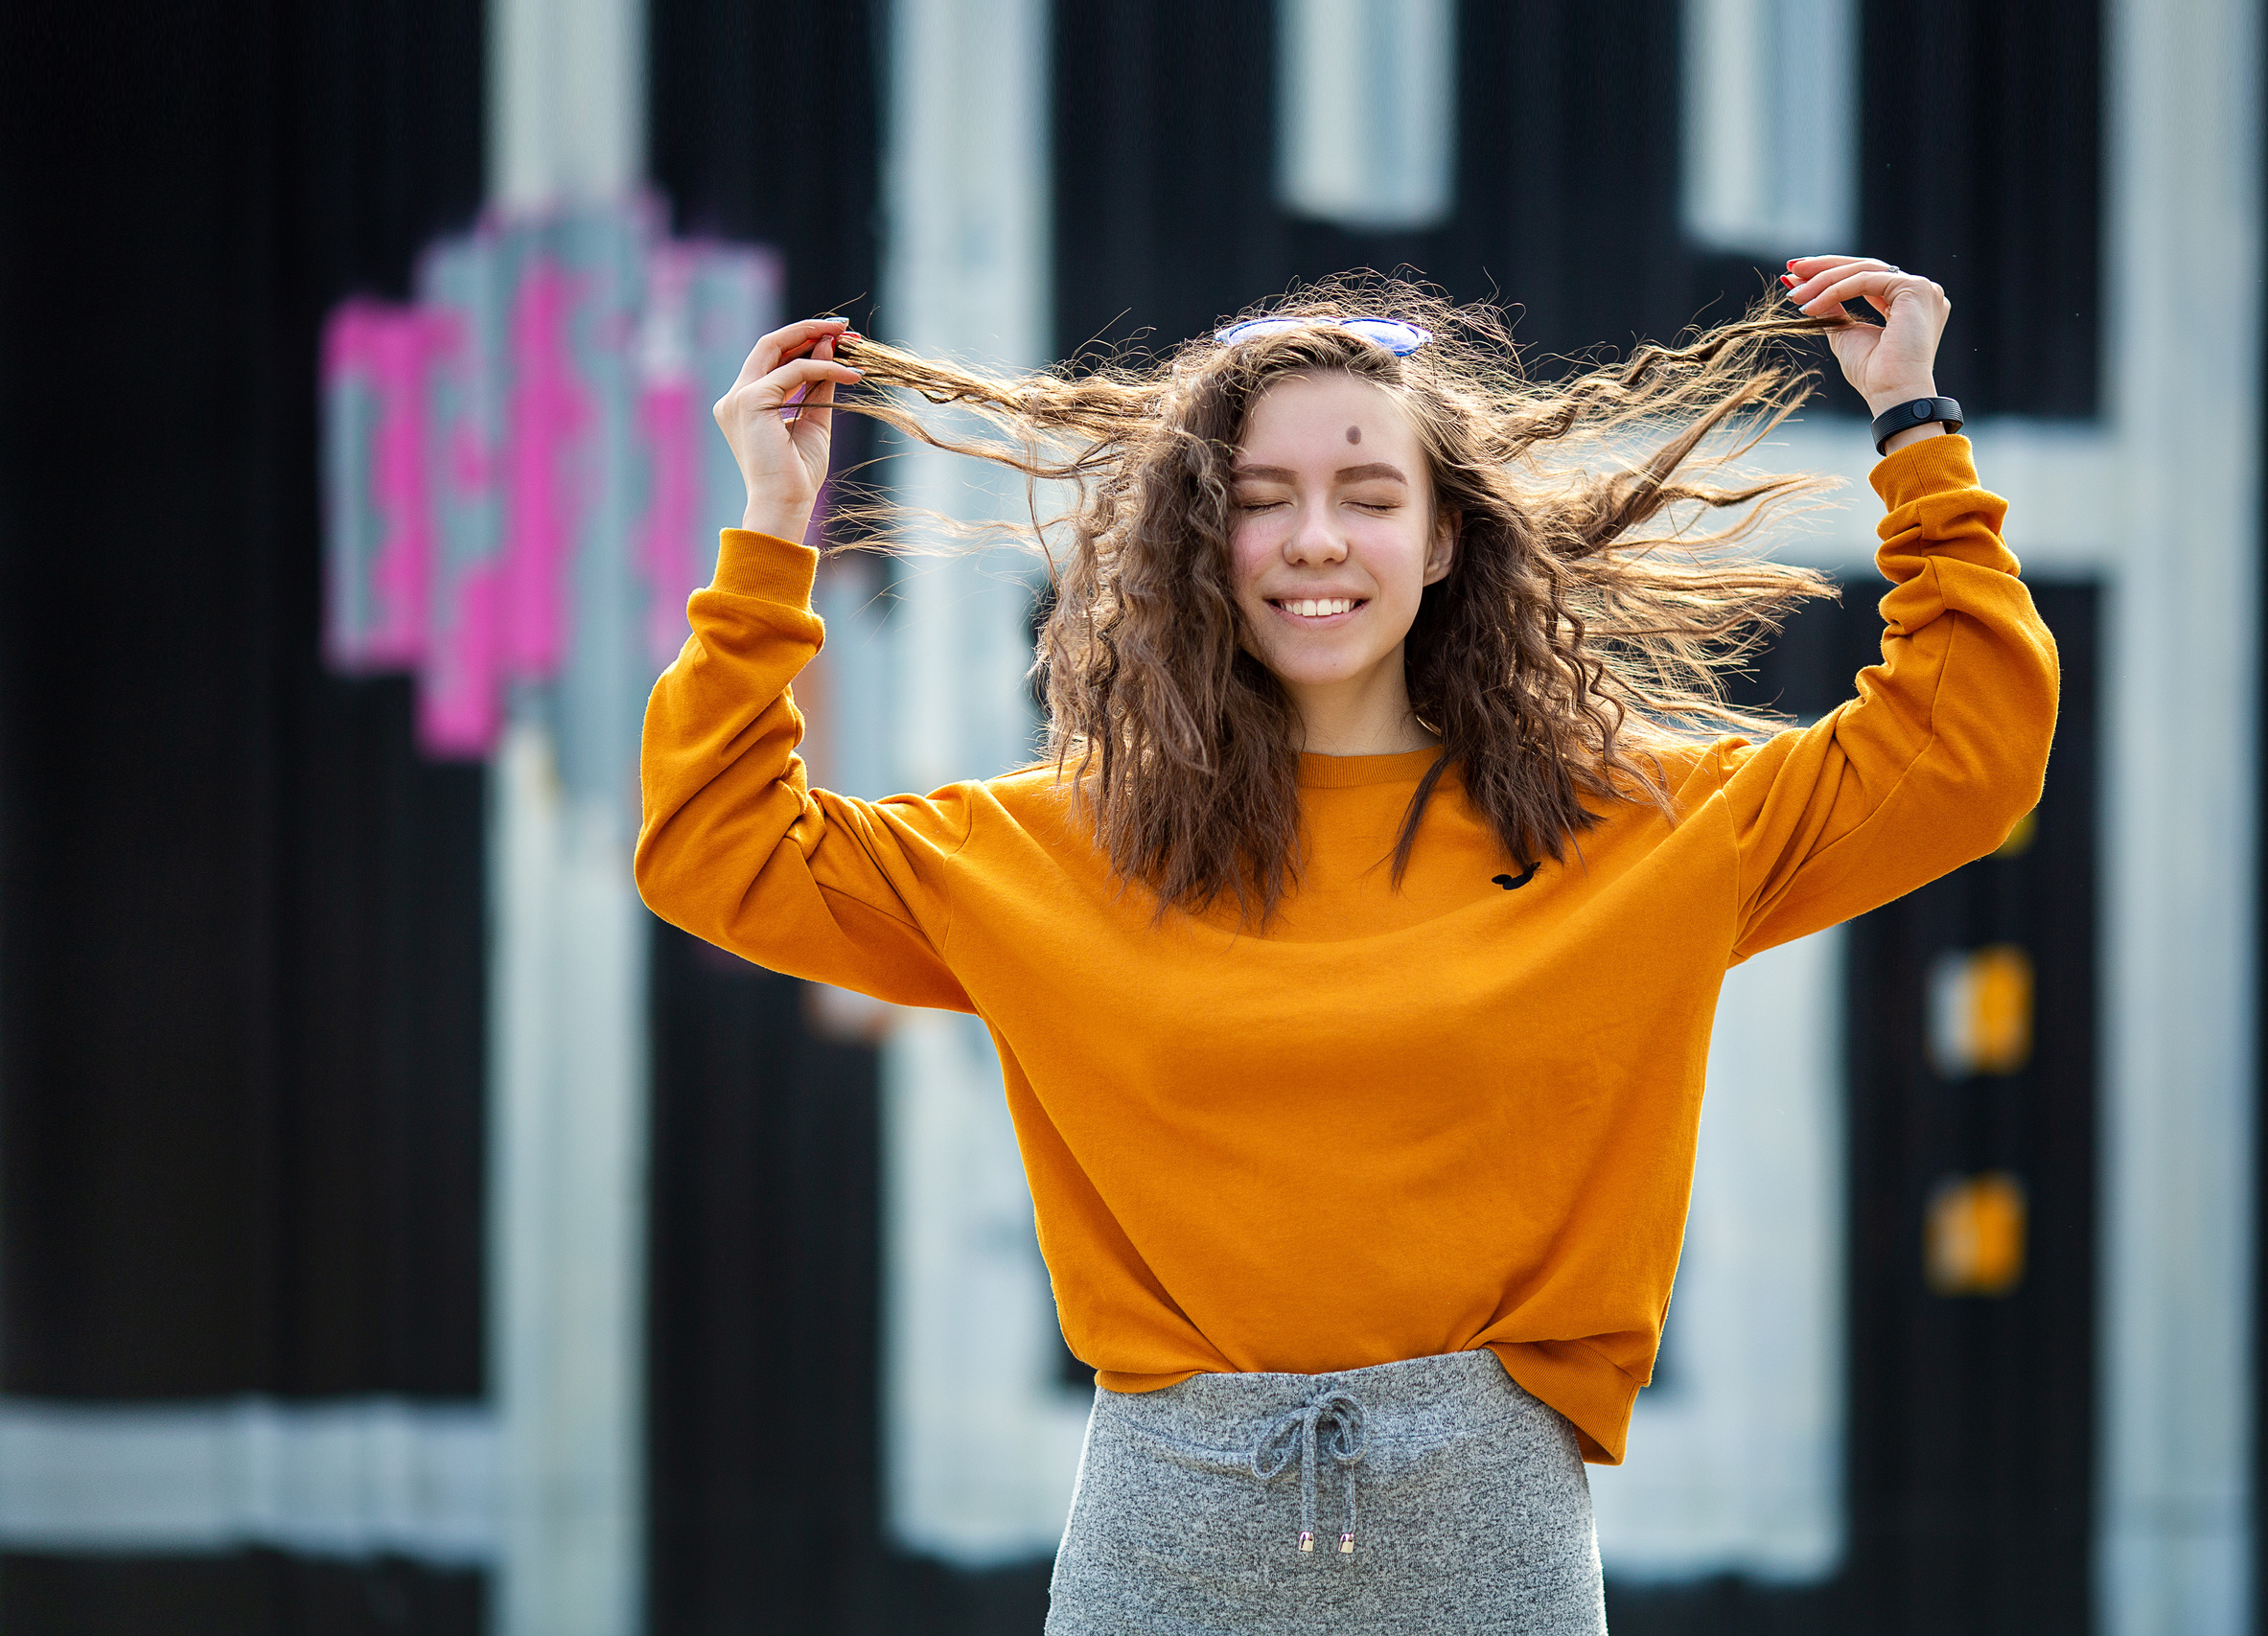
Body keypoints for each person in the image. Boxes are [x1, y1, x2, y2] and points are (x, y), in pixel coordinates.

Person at [636, 257, 2056, 1634]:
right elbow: (721, 851)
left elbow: (1964, 749)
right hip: (1164, 1548)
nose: (1316, 539)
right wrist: (773, 529)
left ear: (1442, 540)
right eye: (1263, 503)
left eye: (1370, 496)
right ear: (1206, 543)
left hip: (1492, 1546)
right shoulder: (1055, 851)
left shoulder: (1639, 829)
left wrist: (1914, 424)